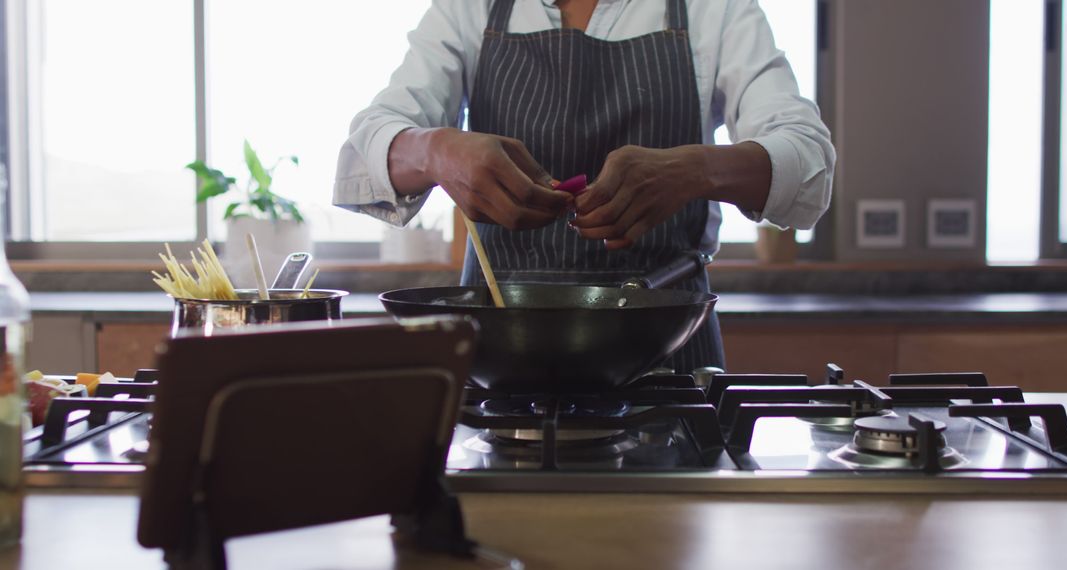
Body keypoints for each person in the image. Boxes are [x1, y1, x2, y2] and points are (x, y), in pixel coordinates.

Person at [334, 0, 835, 373]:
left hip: (668, 358)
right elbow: (367, 148)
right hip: (500, 365)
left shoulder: (713, 8)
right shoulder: (473, 7)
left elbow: (808, 160)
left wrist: (693, 170)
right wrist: (437, 150)